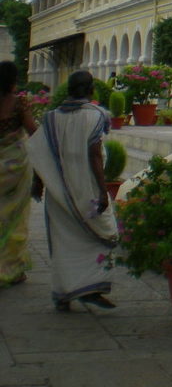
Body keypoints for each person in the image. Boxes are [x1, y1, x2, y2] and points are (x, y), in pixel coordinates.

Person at [27, 70, 117, 311]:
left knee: (63, 240)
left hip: (59, 191)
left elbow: (40, 153)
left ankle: (67, 293)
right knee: (103, 233)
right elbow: (95, 155)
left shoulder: (50, 118)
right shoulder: (96, 116)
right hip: (85, 187)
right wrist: (102, 190)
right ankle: (88, 288)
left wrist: (39, 182)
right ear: (91, 90)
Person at [0, 61, 37, 288]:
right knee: (15, 219)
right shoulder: (19, 103)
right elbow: (33, 130)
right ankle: (11, 268)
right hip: (16, 166)